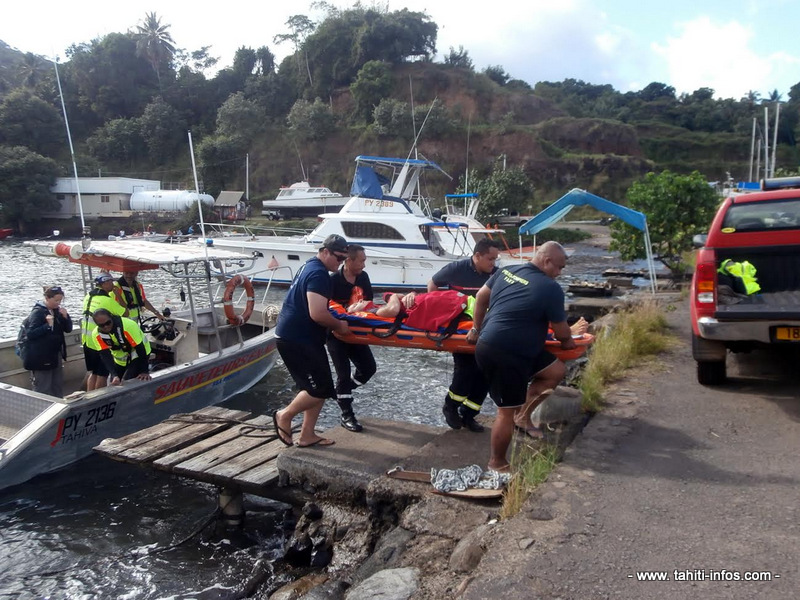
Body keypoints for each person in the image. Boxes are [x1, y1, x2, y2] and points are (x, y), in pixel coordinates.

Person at [468, 241, 576, 472]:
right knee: (505, 411)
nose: (559, 273)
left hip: (503, 346)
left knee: (555, 371)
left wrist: (476, 329)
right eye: (559, 267)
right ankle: (497, 463)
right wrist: (569, 341)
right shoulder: (551, 288)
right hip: (505, 352)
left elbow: (481, 297)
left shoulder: (507, 271)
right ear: (547, 261)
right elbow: (562, 333)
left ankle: (523, 417)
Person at [273, 234, 350, 447]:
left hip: (298, 337)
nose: (341, 262)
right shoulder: (319, 274)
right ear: (325, 252)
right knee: (321, 389)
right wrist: (339, 325)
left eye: (344, 259)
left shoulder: (309, 266)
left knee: (319, 386)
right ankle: (284, 415)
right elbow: (317, 313)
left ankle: (307, 434)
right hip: (297, 339)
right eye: (338, 257)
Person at [428, 238, 502, 432]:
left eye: (495, 259)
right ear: (477, 256)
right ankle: (450, 406)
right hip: (462, 328)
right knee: (466, 369)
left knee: (485, 373)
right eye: (490, 259)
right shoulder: (456, 269)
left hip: (486, 329)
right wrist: (439, 312)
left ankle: (469, 415)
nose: (493, 263)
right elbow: (433, 283)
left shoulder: (496, 275)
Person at [325, 244, 378, 432]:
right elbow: (324, 308)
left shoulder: (363, 278)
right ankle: (347, 414)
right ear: (349, 260)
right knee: (342, 372)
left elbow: (369, 301)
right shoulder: (333, 280)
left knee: (369, 368)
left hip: (357, 332)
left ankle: (343, 390)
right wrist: (346, 311)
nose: (364, 265)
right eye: (361, 261)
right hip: (335, 333)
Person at [21, 285, 73, 397]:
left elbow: (68, 329)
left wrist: (65, 317)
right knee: (43, 386)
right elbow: (31, 334)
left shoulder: (57, 311)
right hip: (41, 356)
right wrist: (47, 326)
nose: (58, 303)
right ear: (47, 298)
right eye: (56, 300)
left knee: (57, 384)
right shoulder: (38, 313)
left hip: (55, 353)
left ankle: (59, 404)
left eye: (60, 301)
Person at [82, 272, 128, 391]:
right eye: (111, 282)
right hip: (98, 341)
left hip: (86, 341)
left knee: (93, 373)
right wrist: (118, 295)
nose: (113, 284)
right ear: (105, 283)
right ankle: (99, 397)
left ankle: (90, 396)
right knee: (102, 375)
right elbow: (126, 313)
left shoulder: (88, 296)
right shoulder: (107, 301)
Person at [89, 309, 152, 384]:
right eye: (101, 325)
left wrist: (144, 371)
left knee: (126, 382)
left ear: (111, 317)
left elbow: (140, 349)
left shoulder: (128, 326)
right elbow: (105, 355)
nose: (106, 327)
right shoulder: (96, 334)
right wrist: (114, 375)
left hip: (138, 354)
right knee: (115, 382)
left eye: (108, 323)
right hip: (120, 360)